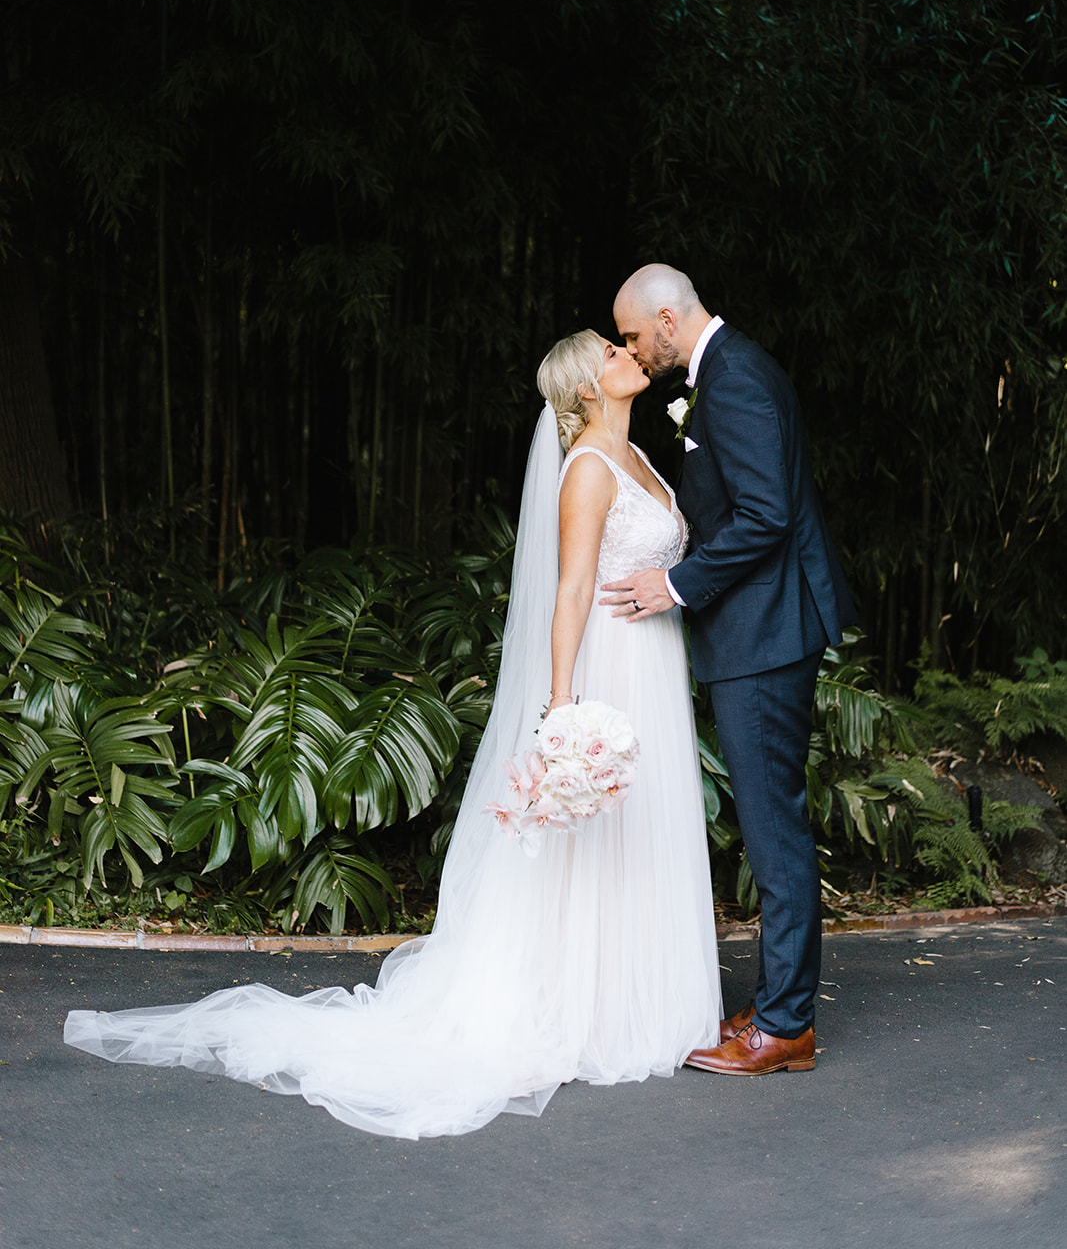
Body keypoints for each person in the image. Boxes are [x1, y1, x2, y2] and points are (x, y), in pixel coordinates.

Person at [64, 330, 721, 1138]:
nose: (628, 355)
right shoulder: (586, 470)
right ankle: (581, 1009)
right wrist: (562, 708)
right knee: (589, 840)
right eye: (610, 352)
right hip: (608, 667)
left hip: (652, 668)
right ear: (589, 388)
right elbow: (572, 587)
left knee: (638, 832)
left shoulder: (641, 461)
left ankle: (629, 997)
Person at [605, 265, 856, 1076]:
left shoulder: (735, 378)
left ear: (669, 319)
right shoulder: (729, 368)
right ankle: (777, 1002)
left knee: (773, 831)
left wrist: (675, 584)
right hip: (761, 628)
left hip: (765, 632)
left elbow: (766, 517)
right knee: (768, 825)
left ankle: (784, 1028)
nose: (636, 354)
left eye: (638, 337)